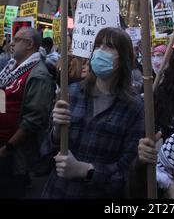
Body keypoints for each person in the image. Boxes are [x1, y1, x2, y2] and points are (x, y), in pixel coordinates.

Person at [41, 27, 144, 199]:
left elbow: (126, 172)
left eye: (109, 47)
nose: (100, 51)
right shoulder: (71, 93)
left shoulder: (134, 108)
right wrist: (56, 132)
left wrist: (85, 170)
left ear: (124, 58)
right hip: (57, 192)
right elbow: (44, 154)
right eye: (97, 45)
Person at [0, 27, 56, 198]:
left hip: (12, 152)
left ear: (29, 44)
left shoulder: (38, 75)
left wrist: (7, 148)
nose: (11, 43)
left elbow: (34, 119)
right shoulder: (12, 68)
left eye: (17, 39)